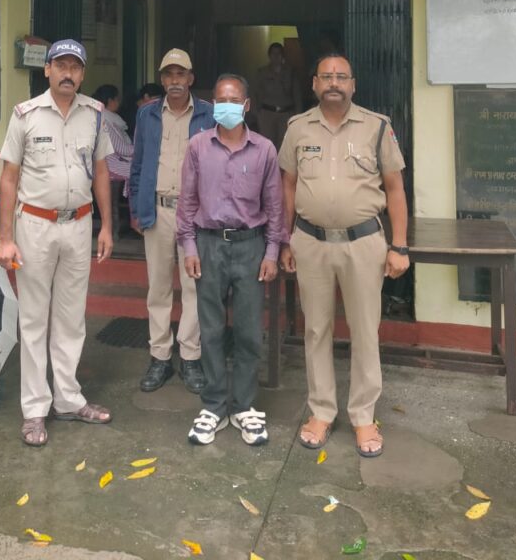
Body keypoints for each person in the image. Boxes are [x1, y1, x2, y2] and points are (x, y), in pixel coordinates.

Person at [278, 53, 409, 459]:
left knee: (365, 330)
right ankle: (321, 411)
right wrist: (284, 240)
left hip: (363, 243)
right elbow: (288, 186)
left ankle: (363, 415)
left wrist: (399, 245)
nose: (334, 83)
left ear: (353, 84)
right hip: (310, 242)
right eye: (326, 77)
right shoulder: (297, 128)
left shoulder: (377, 127)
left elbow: (395, 188)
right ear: (314, 84)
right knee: (316, 329)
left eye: (341, 77)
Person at [0, 38, 114, 448]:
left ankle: (67, 399)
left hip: (79, 225)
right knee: (34, 319)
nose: (68, 73)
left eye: (75, 67)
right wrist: (6, 238)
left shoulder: (95, 115)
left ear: (82, 74)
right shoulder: (25, 115)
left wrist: (107, 226)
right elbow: (9, 178)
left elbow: (101, 171)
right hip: (34, 227)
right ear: (47, 70)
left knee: (70, 317)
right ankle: (34, 409)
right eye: (60, 65)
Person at [177, 74, 286, 446]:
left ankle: (243, 405)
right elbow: (187, 201)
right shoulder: (197, 147)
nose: (227, 106)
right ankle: (214, 405)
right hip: (208, 244)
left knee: (248, 331)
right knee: (209, 330)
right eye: (221, 99)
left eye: (234, 100)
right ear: (213, 105)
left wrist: (272, 252)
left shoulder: (264, 150)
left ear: (246, 105)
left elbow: (275, 206)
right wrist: (189, 247)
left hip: (250, 246)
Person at [129, 50, 214, 394]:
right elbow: (137, 164)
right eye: (169, 75)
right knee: (159, 287)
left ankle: (190, 357)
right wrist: (136, 208)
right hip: (158, 210)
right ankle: (160, 356)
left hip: (196, 213)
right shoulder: (147, 114)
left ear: (191, 78)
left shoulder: (209, 113)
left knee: (194, 286)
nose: (175, 81)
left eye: (181, 74)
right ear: (162, 79)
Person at [92, 84, 134, 239]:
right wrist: (141, 149)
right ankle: (112, 233)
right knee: (110, 204)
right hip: (112, 167)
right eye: (117, 99)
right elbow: (120, 148)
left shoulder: (104, 118)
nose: (119, 103)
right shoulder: (107, 121)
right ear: (110, 101)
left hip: (110, 165)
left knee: (111, 204)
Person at [254, 42, 302, 150]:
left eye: (279, 53)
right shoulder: (262, 72)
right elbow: (255, 93)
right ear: (269, 55)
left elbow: (297, 95)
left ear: (283, 55)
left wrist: (298, 115)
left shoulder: (291, 72)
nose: (276, 56)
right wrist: (257, 114)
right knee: (266, 145)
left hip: (286, 114)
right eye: (273, 53)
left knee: (285, 145)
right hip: (267, 114)